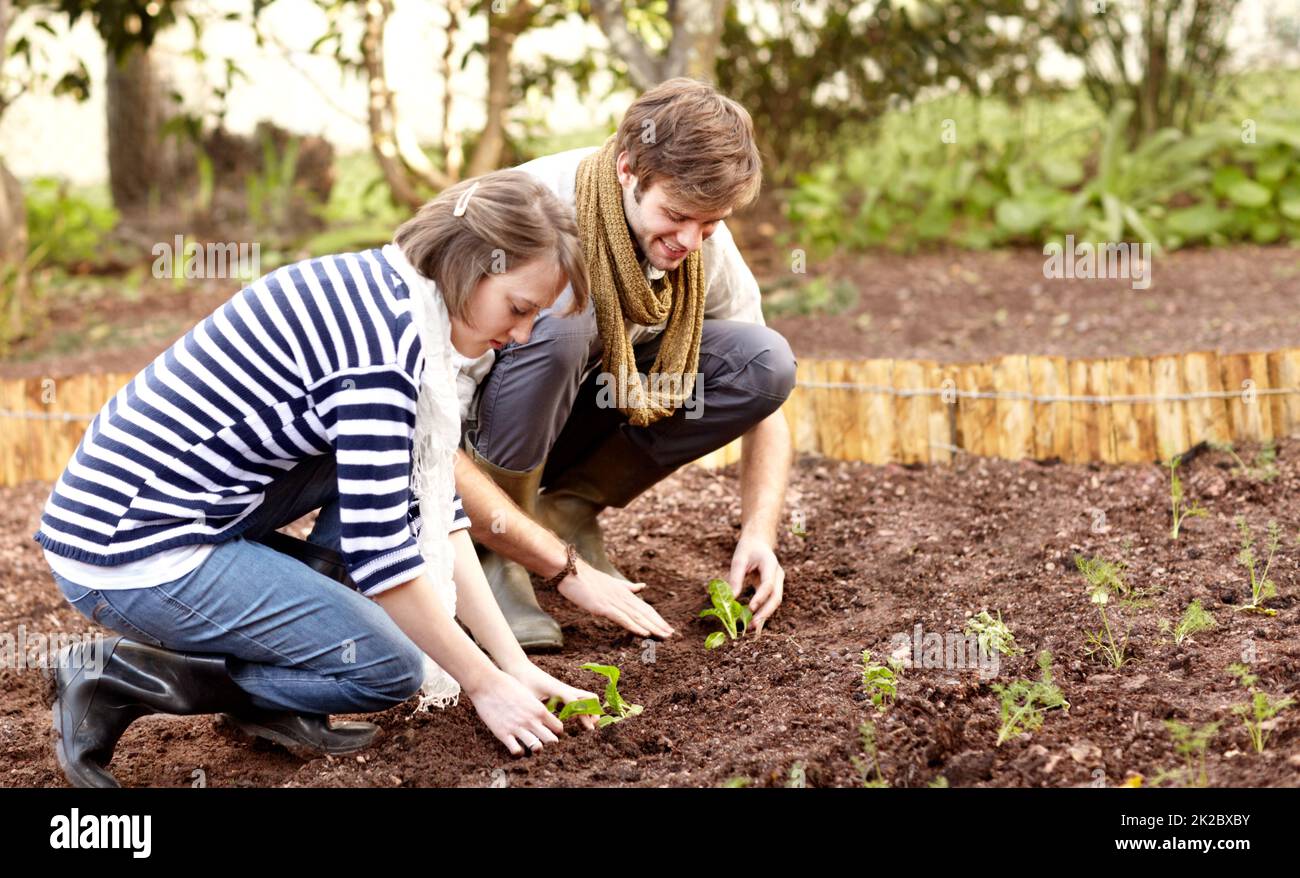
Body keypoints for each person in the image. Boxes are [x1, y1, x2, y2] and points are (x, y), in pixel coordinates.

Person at [36, 170, 601, 789]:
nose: (520, 335)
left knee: (387, 492)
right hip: (130, 549)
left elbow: (430, 504)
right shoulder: (383, 349)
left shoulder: (389, 287)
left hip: (175, 506)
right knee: (388, 667)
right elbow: (385, 556)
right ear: (468, 264)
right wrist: (484, 685)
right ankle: (124, 677)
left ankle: (285, 686)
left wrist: (510, 663)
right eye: (519, 309)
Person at [455, 78, 798, 650]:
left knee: (764, 364)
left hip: (570, 417)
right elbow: (427, 413)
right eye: (677, 214)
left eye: (709, 224)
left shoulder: (698, 236)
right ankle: (495, 551)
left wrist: (759, 533)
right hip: (475, 442)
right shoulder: (529, 212)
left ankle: (564, 509)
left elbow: (770, 399)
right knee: (569, 315)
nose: (691, 240)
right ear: (627, 169)